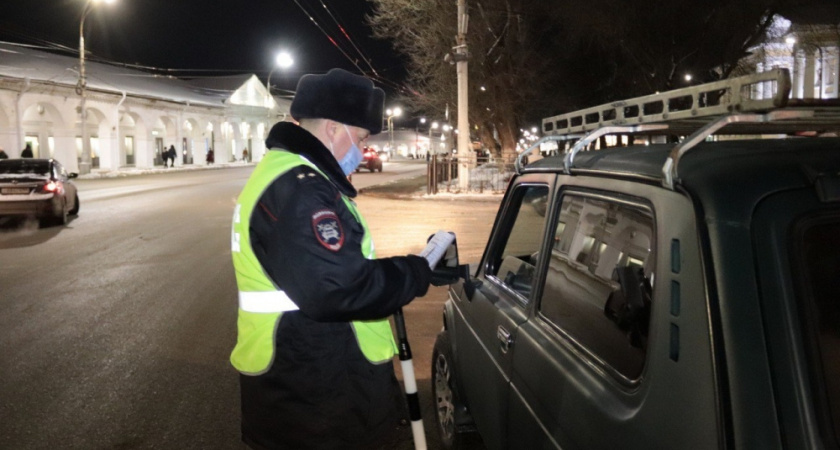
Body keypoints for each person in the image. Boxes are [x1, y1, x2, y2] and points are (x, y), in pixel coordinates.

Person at [230, 68, 432, 450]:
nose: (362, 151)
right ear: (334, 128)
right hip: (316, 399)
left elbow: (334, 267)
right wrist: (413, 273)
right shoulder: (300, 189)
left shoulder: (292, 177)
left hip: (310, 387)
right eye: (361, 138)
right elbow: (337, 288)